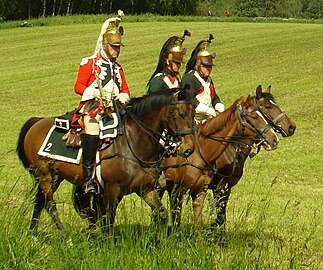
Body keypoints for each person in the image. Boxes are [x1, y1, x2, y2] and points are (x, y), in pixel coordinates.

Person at [73, 10, 130, 194]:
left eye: (119, 47)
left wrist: (122, 96)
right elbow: (78, 86)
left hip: (114, 108)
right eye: (114, 46)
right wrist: (93, 91)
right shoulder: (90, 63)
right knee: (92, 128)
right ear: (105, 45)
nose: (117, 50)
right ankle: (89, 178)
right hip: (92, 109)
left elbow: (126, 89)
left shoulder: (118, 68)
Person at [181, 34, 225, 124]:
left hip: (207, 119)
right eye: (205, 67)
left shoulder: (209, 79)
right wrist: (208, 110)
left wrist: (219, 105)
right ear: (198, 65)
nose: (208, 69)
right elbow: (190, 100)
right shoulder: (190, 78)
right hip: (192, 121)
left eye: (210, 67)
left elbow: (213, 97)